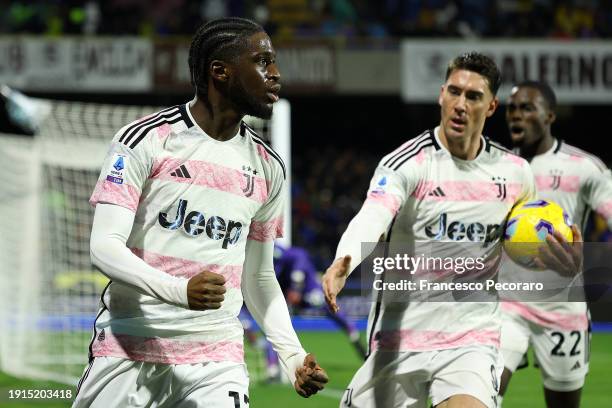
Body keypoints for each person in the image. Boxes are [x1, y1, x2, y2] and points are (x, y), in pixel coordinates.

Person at [73, 17, 327, 407]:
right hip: (130, 345)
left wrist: (293, 356)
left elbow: (257, 277)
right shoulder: (146, 140)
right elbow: (104, 247)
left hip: (216, 357)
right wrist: (179, 292)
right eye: (263, 62)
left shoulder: (268, 167)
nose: (275, 74)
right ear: (220, 72)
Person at [322, 52, 582, 408]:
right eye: (455, 92)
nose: (461, 104)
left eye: (473, 96)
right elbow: (373, 215)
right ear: (441, 95)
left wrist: (560, 268)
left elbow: (524, 253)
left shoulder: (516, 173)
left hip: (471, 342)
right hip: (399, 341)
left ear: (491, 107)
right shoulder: (407, 163)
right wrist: (345, 259)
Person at [499, 81, 612, 408]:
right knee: (481, 395)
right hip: (506, 305)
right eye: (512, 108)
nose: (516, 115)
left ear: (549, 116)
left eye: (527, 108)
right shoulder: (498, 166)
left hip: (563, 308)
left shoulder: (584, 167)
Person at [245, 243, 366, 381]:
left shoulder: (272, 249)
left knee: (326, 304)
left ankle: (352, 331)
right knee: (274, 325)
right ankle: (272, 368)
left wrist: (296, 286)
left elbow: (300, 256)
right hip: (283, 292)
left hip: (306, 290)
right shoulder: (254, 256)